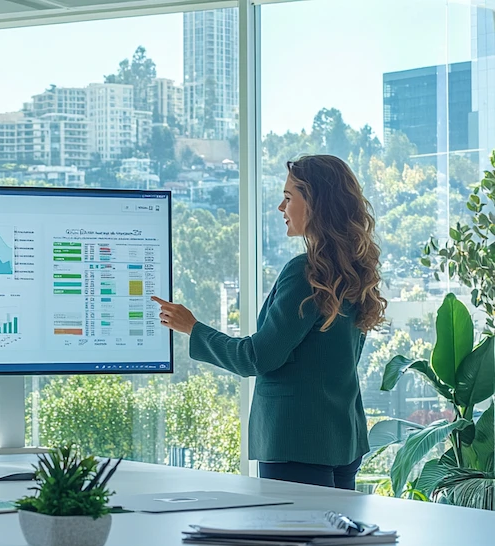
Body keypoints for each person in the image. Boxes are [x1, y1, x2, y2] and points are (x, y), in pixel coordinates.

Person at [152, 155, 386, 489]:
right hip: (343, 437)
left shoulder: (307, 273)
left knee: (297, 526)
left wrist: (192, 327)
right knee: (333, 525)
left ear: (315, 204)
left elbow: (256, 357)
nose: (281, 207)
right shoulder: (354, 272)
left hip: (295, 442)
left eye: (289, 198)